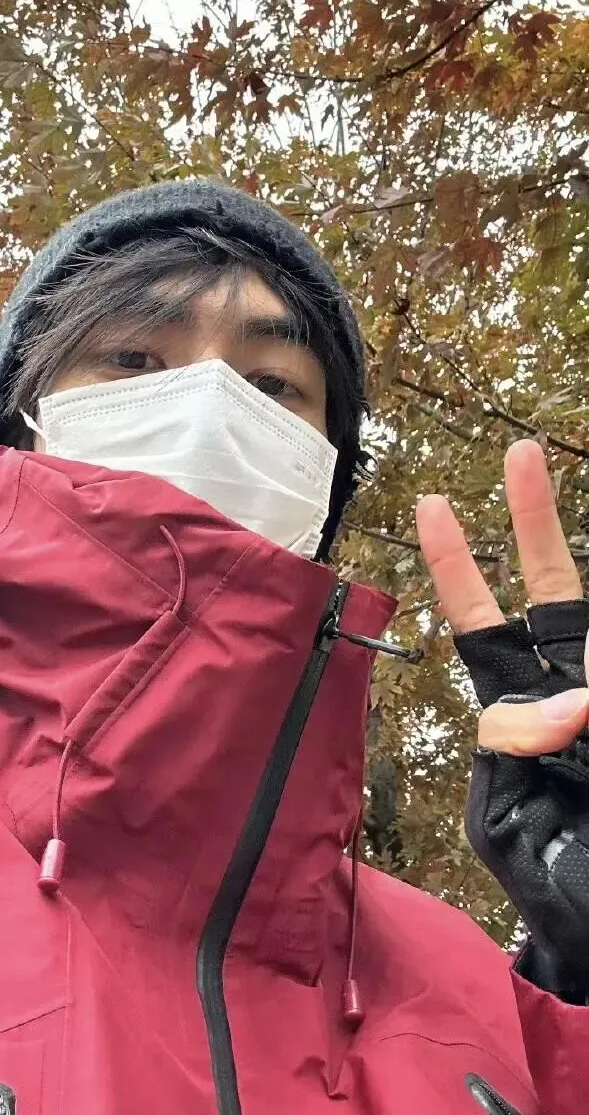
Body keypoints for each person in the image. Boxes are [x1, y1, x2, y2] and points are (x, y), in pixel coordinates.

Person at [0, 178, 586, 1115]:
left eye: (271, 384)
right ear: (23, 421)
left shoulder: (462, 981)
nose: (207, 408)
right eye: (132, 357)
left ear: (324, 478)